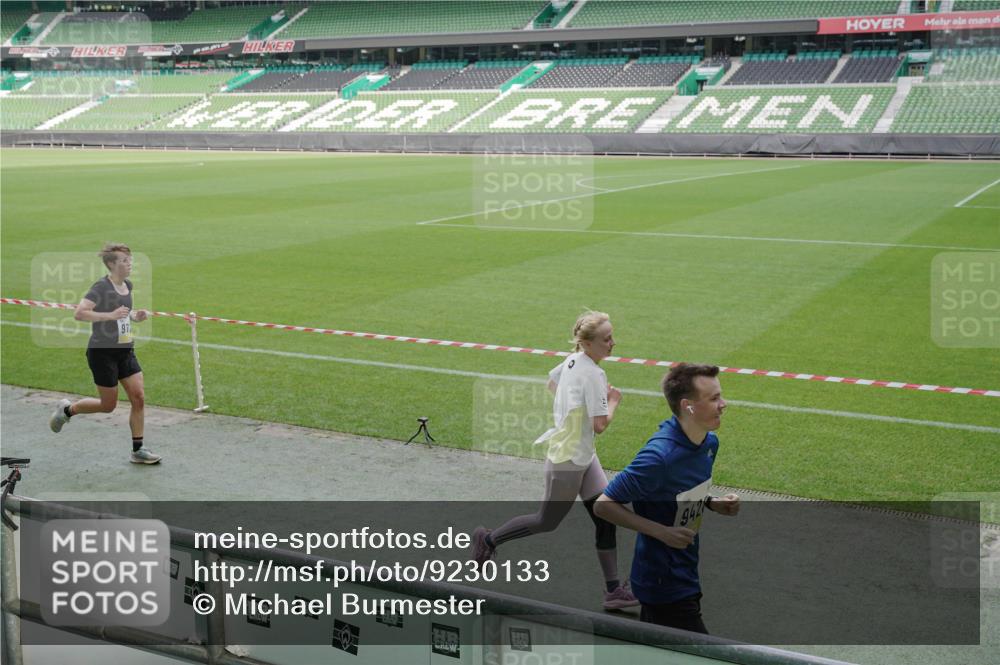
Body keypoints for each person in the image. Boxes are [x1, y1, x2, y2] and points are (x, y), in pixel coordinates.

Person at [471, 311, 638, 610]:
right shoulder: (594, 374)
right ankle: (488, 539)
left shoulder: (573, 360)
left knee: (605, 516)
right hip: (567, 460)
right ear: (587, 343)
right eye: (606, 339)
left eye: (612, 336)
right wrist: (613, 401)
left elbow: (552, 384)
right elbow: (600, 424)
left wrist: (570, 412)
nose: (612, 343)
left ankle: (613, 591)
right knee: (546, 521)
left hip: (582, 454)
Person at [594, 363, 739, 633]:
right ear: (688, 406)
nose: (723, 404)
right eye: (714, 398)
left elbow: (679, 488)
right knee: (700, 650)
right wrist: (662, 532)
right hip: (662, 580)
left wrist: (711, 501)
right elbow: (604, 506)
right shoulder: (658, 458)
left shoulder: (708, 443)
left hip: (686, 569)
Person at [49, 243, 161, 465]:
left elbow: (123, 314)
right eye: (124, 261)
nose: (129, 264)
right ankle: (67, 410)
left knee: (138, 397)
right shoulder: (101, 287)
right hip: (102, 354)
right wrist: (109, 315)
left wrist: (134, 317)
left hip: (125, 351)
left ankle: (138, 450)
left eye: (130, 260)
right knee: (108, 405)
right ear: (111, 264)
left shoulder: (127, 285)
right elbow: (80, 313)